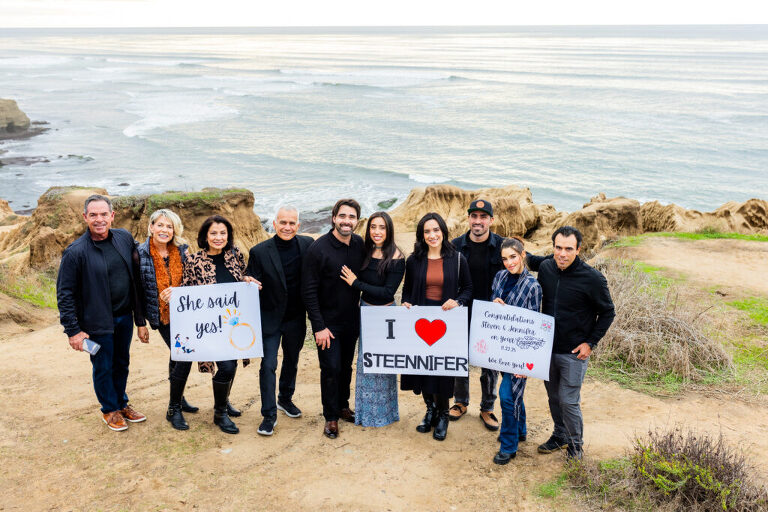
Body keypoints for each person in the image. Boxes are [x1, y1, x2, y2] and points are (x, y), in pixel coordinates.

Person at [56, 194, 149, 431]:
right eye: (94, 215)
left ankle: (121, 403)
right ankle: (109, 410)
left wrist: (139, 320)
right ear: (85, 217)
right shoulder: (75, 252)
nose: (99, 219)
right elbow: (64, 294)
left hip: (123, 318)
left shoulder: (124, 238)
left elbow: (142, 269)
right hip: (96, 322)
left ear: (112, 216)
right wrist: (73, 331)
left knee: (122, 363)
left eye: (104, 214)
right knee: (103, 366)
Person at [527, 226, 615, 460]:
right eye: (558, 248)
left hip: (574, 353)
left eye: (568, 249)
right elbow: (528, 261)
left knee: (568, 400)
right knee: (553, 397)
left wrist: (590, 343)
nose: (562, 254)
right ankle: (560, 435)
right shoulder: (546, 268)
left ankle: (576, 447)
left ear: (578, 249)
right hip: (547, 350)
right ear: (553, 247)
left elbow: (608, 312)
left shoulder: (593, 279)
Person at [182, 215, 260, 434]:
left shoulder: (234, 255)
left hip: (233, 325)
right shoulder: (193, 261)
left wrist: (246, 280)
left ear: (229, 236)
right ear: (205, 236)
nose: (218, 237)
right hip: (210, 329)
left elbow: (243, 277)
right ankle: (219, 414)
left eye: (222, 233)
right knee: (227, 367)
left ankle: (223, 403)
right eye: (213, 233)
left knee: (231, 366)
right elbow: (186, 292)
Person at [401, 212, 472, 441]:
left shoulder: (458, 259)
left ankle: (442, 415)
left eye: (436, 230)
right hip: (421, 321)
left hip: (446, 322)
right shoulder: (414, 260)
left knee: (442, 371)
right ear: (422, 236)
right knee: (423, 368)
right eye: (427, 232)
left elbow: (468, 289)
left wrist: (458, 301)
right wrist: (406, 303)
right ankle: (429, 409)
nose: (432, 235)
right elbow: (407, 290)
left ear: (443, 231)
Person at [245, 206, 313, 436]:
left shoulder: (308, 245)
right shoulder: (259, 252)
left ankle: (285, 398)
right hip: (270, 319)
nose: (287, 227)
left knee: (292, 361)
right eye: (283, 222)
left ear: (298, 226)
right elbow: (249, 281)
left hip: (296, 318)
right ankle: (268, 415)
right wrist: (248, 281)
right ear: (274, 224)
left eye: (292, 223)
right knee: (268, 365)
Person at [302, 199, 366, 439]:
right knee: (330, 368)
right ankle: (330, 417)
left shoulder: (359, 244)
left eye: (351, 217)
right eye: (342, 216)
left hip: (351, 321)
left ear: (356, 221)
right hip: (326, 323)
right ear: (333, 218)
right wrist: (318, 326)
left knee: (345, 367)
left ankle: (342, 405)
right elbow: (308, 291)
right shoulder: (318, 249)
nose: (346, 221)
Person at [340, 212, 405, 427]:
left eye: (382, 227)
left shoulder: (397, 257)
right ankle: (365, 413)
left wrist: (356, 284)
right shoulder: (364, 251)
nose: (377, 232)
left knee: (383, 365)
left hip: (385, 315)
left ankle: (385, 414)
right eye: (373, 227)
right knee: (365, 363)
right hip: (365, 312)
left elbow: (387, 292)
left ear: (389, 231)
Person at [137, 209, 199, 431]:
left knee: (177, 355)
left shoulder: (182, 251)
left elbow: (192, 279)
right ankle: (174, 408)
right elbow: (136, 291)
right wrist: (140, 323)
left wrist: (179, 291)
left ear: (175, 230)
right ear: (151, 227)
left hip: (184, 313)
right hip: (161, 315)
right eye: (160, 225)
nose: (164, 230)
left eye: (169, 226)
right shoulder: (140, 254)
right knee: (184, 355)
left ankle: (179, 398)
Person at [449, 199, 505, 430]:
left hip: (490, 316)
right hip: (461, 313)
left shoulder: (502, 245)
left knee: (489, 365)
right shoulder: (455, 245)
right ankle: (460, 402)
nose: (478, 221)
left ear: (491, 220)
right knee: (459, 361)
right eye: (474, 216)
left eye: (483, 217)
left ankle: (487, 407)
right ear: (469, 219)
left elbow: (523, 262)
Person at [489, 237, 542, 464]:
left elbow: (534, 326)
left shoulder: (533, 286)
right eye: (504, 259)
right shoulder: (499, 277)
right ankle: (520, 430)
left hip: (520, 353)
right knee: (514, 394)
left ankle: (509, 445)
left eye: (513, 257)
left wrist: (526, 363)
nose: (509, 263)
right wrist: (495, 303)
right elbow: (492, 305)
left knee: (507, 396)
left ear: (523, 255)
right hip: (501, 348)